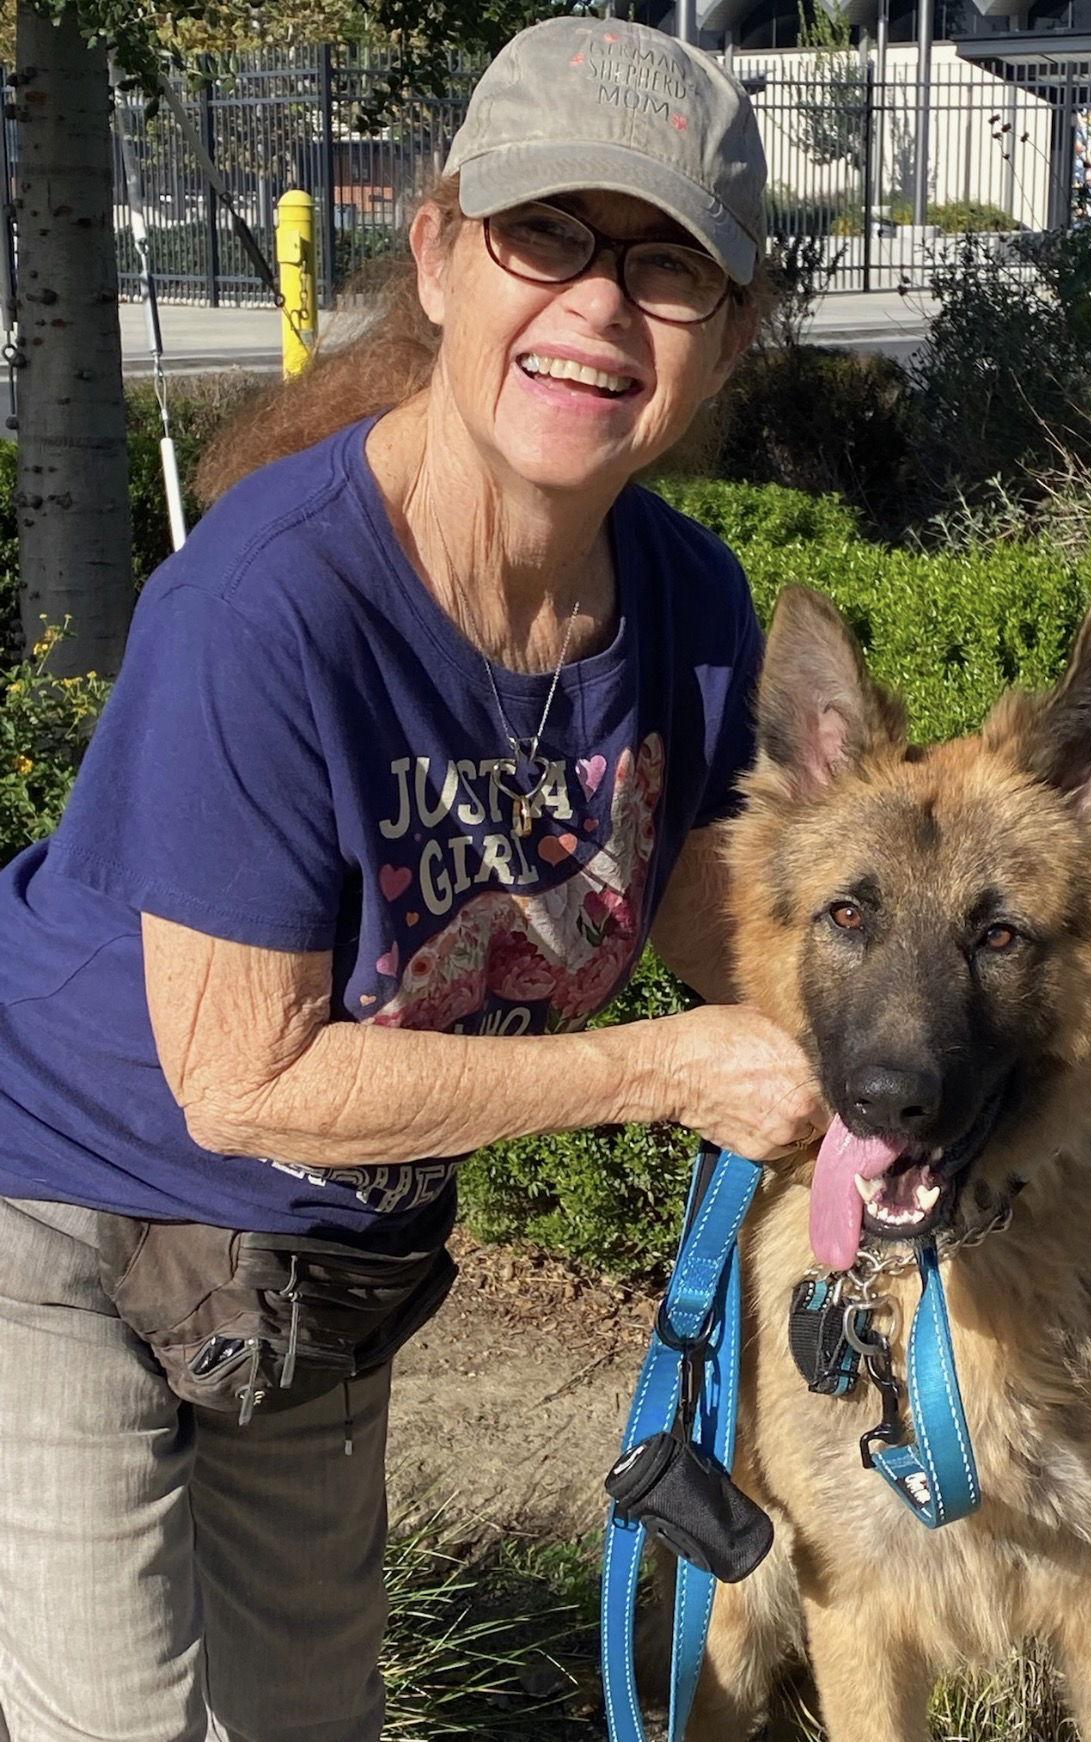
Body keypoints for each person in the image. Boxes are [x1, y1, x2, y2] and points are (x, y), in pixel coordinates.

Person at [0, 17, 828, 1742]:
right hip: (55, 1207)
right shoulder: (267, 608)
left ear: (727, 338)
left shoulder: (688, 610)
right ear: (444, 258)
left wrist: (928, 1057)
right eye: (549, 237)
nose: (599, 306)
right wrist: (662, 1072)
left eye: (666, 265)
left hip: (312, 1259)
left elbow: (713, 922)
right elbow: (247, 1077)